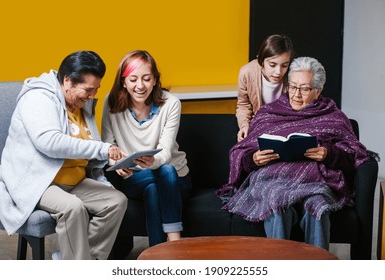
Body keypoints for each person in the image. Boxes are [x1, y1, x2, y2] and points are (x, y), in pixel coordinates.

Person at [217, 57, 369, 249]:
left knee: (318, 205)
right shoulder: (268, 113)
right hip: (272, 180)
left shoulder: (334, 117)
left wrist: (328, 154)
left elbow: (355, 155)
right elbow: (241, 151)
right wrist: (253, 159)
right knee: (276, 201)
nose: (296, 94)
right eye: (292, 87)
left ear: (318, 91)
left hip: (315, 182)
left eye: (304, 89)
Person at [0, 51, 128, 260]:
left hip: (73, 179)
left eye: (96, 89)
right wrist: (103, 148)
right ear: (67, 81)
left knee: (115, 201)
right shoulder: (38, 98)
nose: (92, 96)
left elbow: (87, 143)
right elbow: (50, 142)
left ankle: (79, 263)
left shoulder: (81, 104)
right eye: (88, 89)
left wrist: (115, 158)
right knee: (72, 207)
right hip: (39, 182)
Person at [101, 50, 192, 247]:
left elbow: (165, 152)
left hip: (175, 178)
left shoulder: (171, 103)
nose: (140, 86)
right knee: (156, 179)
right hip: (134, 178)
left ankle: (159, 252)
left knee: (159, 181)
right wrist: (116, 163)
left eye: (146, 78)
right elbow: (107, 145)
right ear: (123, 82)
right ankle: (175, 245)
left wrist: (154, 161)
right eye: (133, 79)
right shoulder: (111, 102)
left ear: (155, 81)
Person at [236, 34, 294, 141]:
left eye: (284, 65)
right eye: (272, 65)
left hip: (287, 126)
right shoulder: (247, 73)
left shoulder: (294, 74)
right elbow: (243, 105)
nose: (278, 72)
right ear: (261, 61)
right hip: (259, 126)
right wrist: (244, 126)